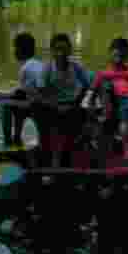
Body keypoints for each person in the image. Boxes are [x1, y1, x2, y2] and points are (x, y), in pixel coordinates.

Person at [36, 33, 93, 166]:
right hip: (52, 106)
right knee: (38, 107)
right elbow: (41, 93)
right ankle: (49, 153)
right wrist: (55, 106)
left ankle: (74, 153)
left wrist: (76, 102)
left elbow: (87, 86)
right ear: (52, 51)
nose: (61, 53)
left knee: (86, 116)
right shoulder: (47, 68)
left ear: (69, 50)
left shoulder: (76, 67)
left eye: (64, 49)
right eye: (57, 49)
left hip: (71, 105)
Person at [0, 32, 45, 147]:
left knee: (4, 105)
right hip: (41, 104)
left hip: (41, 106)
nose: (13, 51)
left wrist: (0, 98)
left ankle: (8, 142)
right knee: (18, 105)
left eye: (14, 47)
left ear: (20, 50)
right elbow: (21, 92)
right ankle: (17, 138)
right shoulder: (37, 64)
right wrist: (0, 95)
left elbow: (27, 93)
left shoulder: (26, 68)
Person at [88, 37, 128, 141]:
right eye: (116, 52)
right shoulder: (102, 74)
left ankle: (124, 139)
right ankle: (108, 127)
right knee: (106, 85)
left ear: (127, 55)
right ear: (110, 53)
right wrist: (93, 116)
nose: (119, 56)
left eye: (122, 53)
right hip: (111, 110)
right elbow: (91, 99)